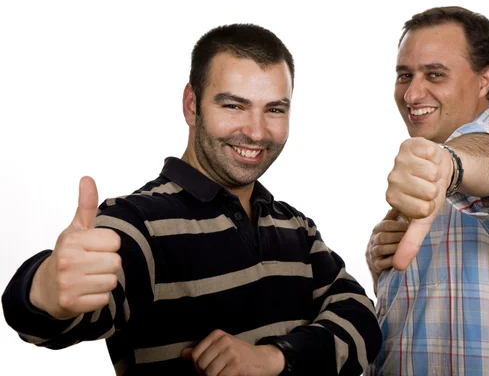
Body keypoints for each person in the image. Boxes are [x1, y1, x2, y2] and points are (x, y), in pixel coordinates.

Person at [2, 23, 382, 375]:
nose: (255, 131)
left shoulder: (295, 227)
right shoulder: (137, 223)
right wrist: (46, 291)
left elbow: (363, 322)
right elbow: (58, 313)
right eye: (233, 105)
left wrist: (274, 357)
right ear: (191, 105)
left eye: (274, 110)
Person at [365, 7, 489, 375]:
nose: (411, 93)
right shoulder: (415, 183)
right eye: (404, 75)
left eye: (435, 74)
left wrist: (451, 165)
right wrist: (382, 275)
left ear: (485, 79)